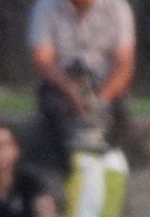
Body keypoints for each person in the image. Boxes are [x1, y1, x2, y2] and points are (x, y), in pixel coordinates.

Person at [27, 0, 135, 169]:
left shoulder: (118, 7)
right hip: (61, 82)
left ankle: (108, 170)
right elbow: (43, 60)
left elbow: (124, 63)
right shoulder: (46, 6)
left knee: (120, 122)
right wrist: (70, 90)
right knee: (53, 123)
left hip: (103, 82)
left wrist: (101, 100)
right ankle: (61, 175)